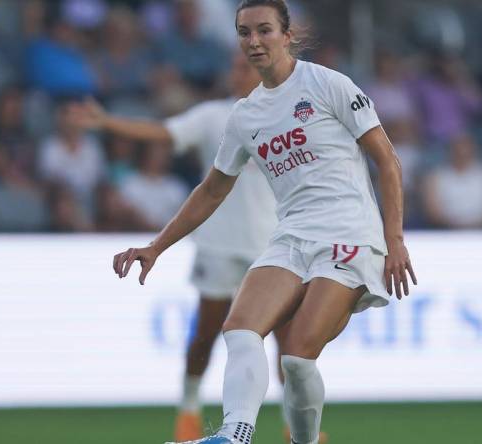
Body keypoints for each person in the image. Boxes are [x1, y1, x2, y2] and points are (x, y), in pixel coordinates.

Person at [112, 1, 416, 444]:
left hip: (349, 235)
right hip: (290, 236)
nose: (254, 41)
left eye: (264, 30)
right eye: (244, 33)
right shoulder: (245, 115)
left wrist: (395, 240)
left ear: (287, 35)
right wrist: (156, 247)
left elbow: (387, 160)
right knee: (239, 329)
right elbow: (213, 189)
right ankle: (235, 434)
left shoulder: (327, 84)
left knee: (296, 358)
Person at [73, 54, 298, 441]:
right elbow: (162, 133)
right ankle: (189, 409)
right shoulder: (214, 115)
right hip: (219, 245)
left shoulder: (285, 116)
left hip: (271, 246)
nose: (236, 73)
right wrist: (108, 122)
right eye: (233, 66)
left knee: (288, 342)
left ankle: (297, 428)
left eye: (243, 67)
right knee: (207, 333)